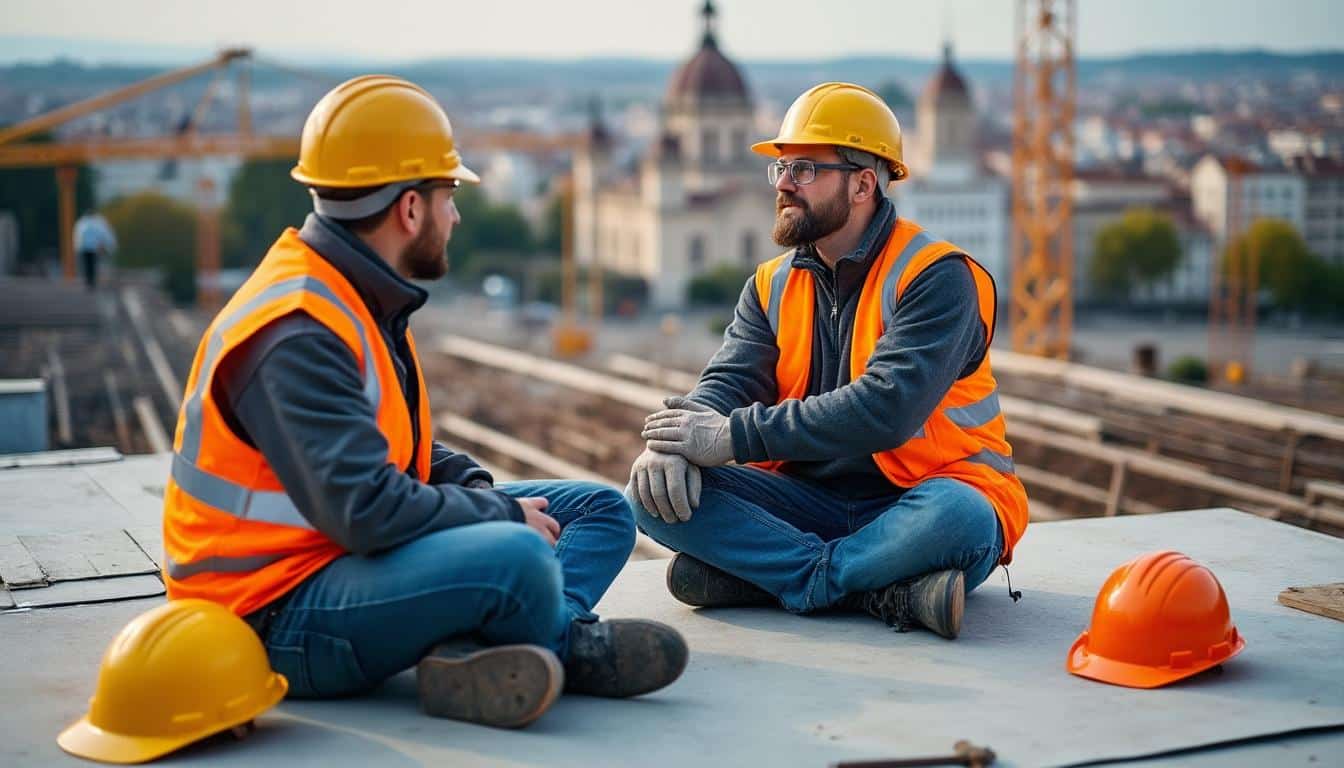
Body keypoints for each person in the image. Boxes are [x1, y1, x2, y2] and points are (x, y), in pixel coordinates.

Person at [162, 75, 686, 729]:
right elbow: (365, 511)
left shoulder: (352, 292)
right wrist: (498, 515)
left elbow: (393, 444)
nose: (456, 215)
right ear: (410, 209)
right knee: (518, 556)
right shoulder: (296, 329)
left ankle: (500, 646)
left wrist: (474, 486)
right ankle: (568, 645)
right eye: (449, 196)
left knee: (601, 510)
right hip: (271, 614)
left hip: (335, 560)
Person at [629, 82, 1029, 640]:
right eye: (782, 168)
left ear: (865, 183)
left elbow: (886, 409)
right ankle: (881, 588)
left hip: (921, 500)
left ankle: (784, 578)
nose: (785, 183)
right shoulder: (770, 284)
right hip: (806, 503)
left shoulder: (938, 277)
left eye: (807, 169)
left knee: (960, 517)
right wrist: (672, 444)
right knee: (649, 498)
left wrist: (732, 437)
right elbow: (730, 379)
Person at [73, 210, 116, 290]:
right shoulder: (96, 223)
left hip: (85, 248)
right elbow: (102, 234)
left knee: (87, 265)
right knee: (92, 265)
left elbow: (78, 235)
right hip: (92, 247)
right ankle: (91, 281)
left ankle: (89, 281)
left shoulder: (81, 223)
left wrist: (77, 247)